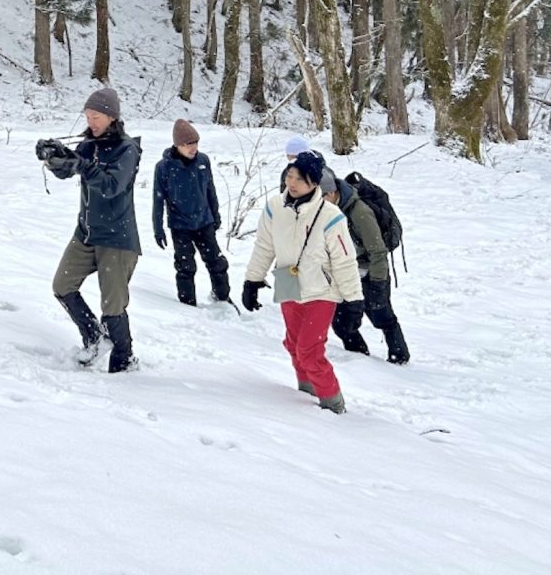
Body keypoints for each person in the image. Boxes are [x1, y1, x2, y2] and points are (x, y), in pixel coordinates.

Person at [241, 151, 363, 413]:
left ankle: (332, 403)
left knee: (309, 350)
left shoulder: (331, 216)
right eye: (289, 176)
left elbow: (344, 261)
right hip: (288, 281)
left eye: (299, 179)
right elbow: (264, 246)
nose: (292, 183)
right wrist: (252, 280)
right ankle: (306, 395)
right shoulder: (275, 207)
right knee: (294, 345)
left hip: (321, 291)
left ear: (315, 183)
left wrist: (354, 300)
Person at [36, 86, 142, 371]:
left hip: (116, 238)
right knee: (62, 286)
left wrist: (81, 165)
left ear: (111, 117)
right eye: (87, 115)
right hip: (85, 234)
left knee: (113, 306)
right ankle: (94, 337)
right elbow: (67, 169)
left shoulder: (127, 149)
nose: (91, 121)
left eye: (96, 116)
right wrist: (53, 156)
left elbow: (111, 185)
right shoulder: (89, 145)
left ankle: (124, 362)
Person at [322, 170, 411, 364]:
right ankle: (360, 361)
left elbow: (378, 251)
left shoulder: (359, 212)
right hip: (346, 272)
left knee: (381, 316)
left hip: (371, 272)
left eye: (320, 198)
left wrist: (378, 283)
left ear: (331, 193)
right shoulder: (327, 211)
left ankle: (400, 359)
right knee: (342, 322)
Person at [151, 119, 230, 307]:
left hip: (204, 221)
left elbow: (210, 189)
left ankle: (223, 299)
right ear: (178, 145)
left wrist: (215, 215)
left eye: (195, 143)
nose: (193, 148)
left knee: (216, 263)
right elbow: (158, 199)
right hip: (180, 225)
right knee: (185, 267)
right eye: (188, 144)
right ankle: (188, 306)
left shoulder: (203, 161)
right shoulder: (164, 167)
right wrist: (158, 229)